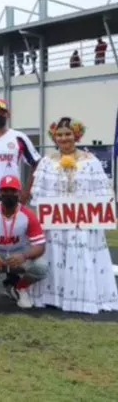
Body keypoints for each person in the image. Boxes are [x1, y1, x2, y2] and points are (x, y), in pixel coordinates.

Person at [29, 118, 118, 314]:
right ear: (55, 137)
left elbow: (102, 193)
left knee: (82, 256)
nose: (64, 138)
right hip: (55, 224)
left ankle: (83, 298)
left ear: (76, 135)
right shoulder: (46, 162)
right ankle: (53, 297)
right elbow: (39, 195)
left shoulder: (91, 161)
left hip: (83, 224)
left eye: (68, 133)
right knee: (54, 256)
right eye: (59, 135)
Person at [0, 175, 48, 309]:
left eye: (13, 191)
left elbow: (40, 246)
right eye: (5, 191)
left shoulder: (28, 214)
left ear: (19, 193)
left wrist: (24, 256)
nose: (8, 194)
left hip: (18, 254)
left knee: (41, 266)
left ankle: (20, 287)